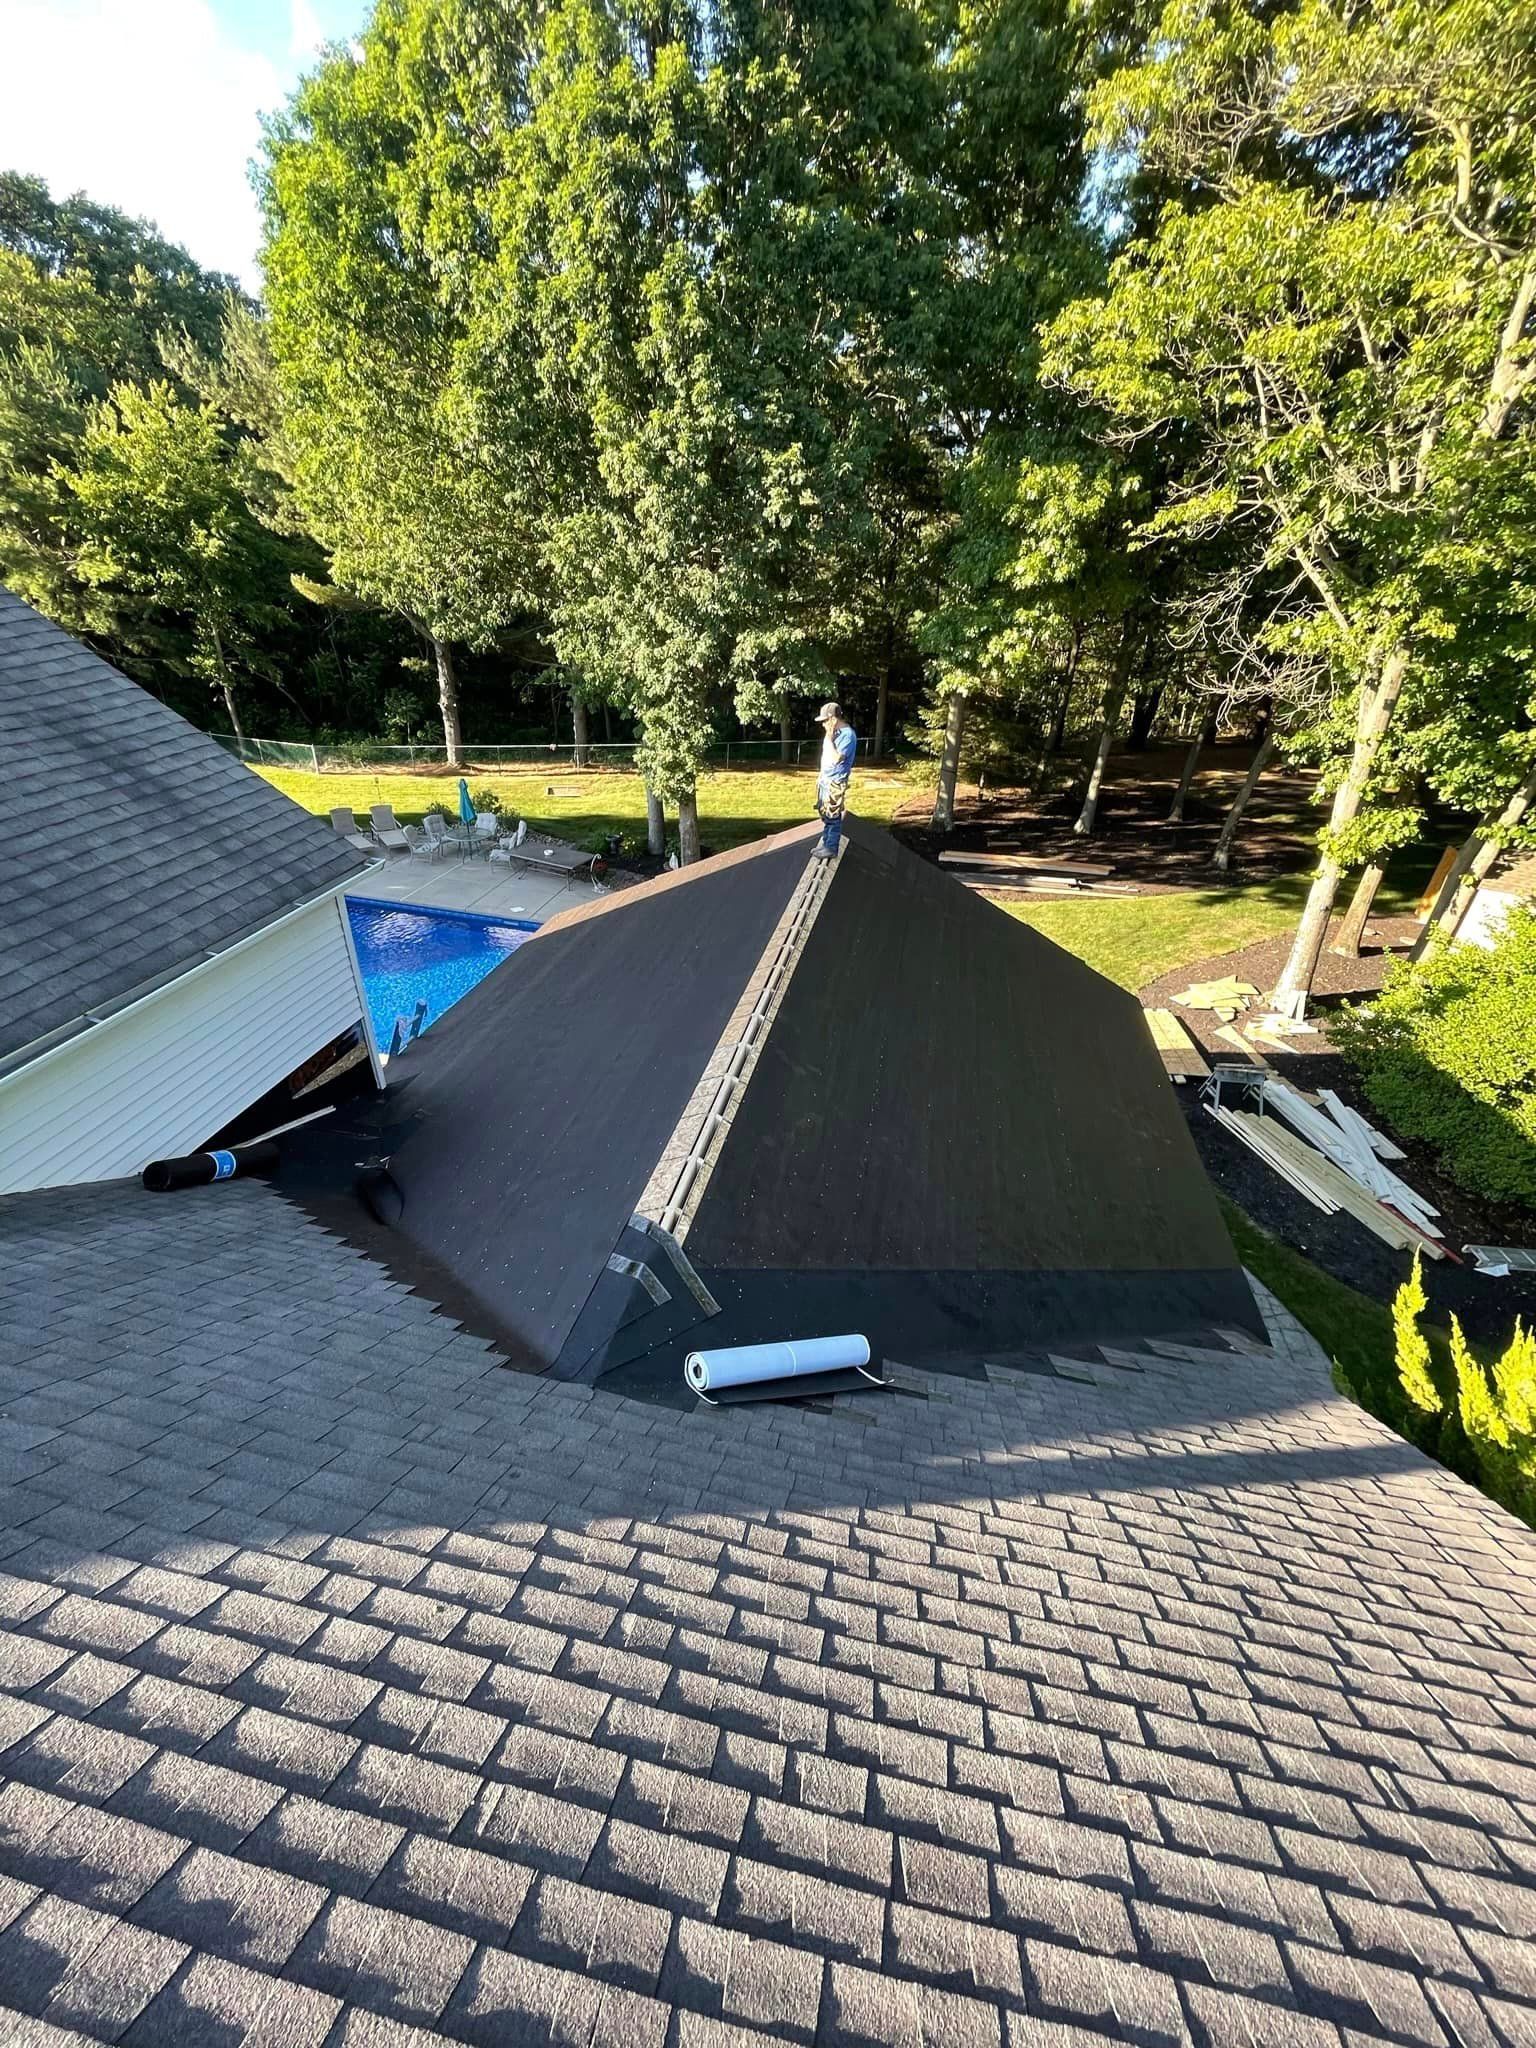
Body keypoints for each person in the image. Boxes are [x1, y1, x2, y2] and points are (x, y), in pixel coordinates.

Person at [813, 700, 857, 859]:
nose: (823, 724)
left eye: (825, 721)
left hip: (835, 782)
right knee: (825, 814)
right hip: (826, 780)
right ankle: (826, 843)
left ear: (832, 718)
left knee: (833, 815)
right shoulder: (833, 734)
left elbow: (837, 757)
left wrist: (829, 739)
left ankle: (831, 847)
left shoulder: (848, 735)